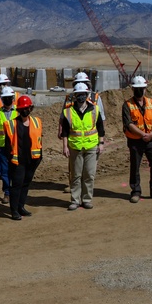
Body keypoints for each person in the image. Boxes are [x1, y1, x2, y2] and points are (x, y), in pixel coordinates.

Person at [61, 82, 105, 210]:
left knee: (89, 174)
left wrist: (101, 143)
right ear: (75, 96)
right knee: (76, 175)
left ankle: (86, 199)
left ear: (87, 95)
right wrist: (65, 147)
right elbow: (65, 132)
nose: (81, 96)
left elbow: (100, 129)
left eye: (83, 94)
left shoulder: (95, 109)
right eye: (78, 94)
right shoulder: (68, 111)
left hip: (91, 147)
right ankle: (75, 200)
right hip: (75, 147)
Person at [122, 75, 152, 203]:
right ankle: (135, 192)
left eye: (142, 88)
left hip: (151, 139)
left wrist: (151, 133)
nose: (140, 91)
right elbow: (128, 124)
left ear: (145, 89)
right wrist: (142, 134)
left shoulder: (151, 102)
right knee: (135, 167)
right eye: (137, 88)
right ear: (133, 89)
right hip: (135, 141)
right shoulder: (127, 105)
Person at [3, 96, 43, 221]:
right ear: (19, 110)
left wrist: (39, 157)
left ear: (30, 108)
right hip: (18, 161)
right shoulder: (12, 124)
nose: (25, 110)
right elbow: (7, 145)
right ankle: (14, 210)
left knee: (26, 184)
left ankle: (21, 207)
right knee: (17, 185)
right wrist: (10, 160)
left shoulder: (36, 121)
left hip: (32, 160)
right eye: (22, 109)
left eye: (27, 108)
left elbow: (39, 140)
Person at [0, 86, 18, 205]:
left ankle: (16, 193)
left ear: (12, 98)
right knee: (5, 171)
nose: (7, 100)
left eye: (9, 98)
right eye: (5, 98)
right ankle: (7, 192)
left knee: (16, 171)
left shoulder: (18, 112)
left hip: (15, 147)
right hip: (2, 147)